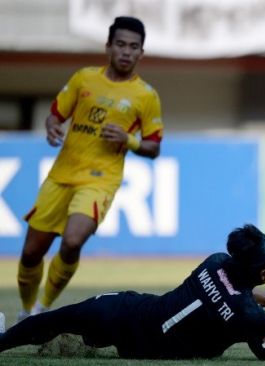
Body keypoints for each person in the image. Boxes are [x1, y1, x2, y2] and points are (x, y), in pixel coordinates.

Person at [16, 16, 164, 321]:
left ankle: (42, 306)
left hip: (100, 181)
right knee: (31, 252)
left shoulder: (146, 96)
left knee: (72, 242)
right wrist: (52, 127)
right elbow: (55, 115)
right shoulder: (84, 79)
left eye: (133, 47)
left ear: (141, 53)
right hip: (61, 175)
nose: (126, 51)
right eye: (120, 44)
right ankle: (26, 310)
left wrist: (129, 141)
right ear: (108, 46)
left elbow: (154, 147)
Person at [0, 224, 265, 360]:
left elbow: (231, 288)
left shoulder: (214, 262)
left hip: (126, 314)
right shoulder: (252, 318)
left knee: (58, 319)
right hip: (145, 351)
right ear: (263, 272)